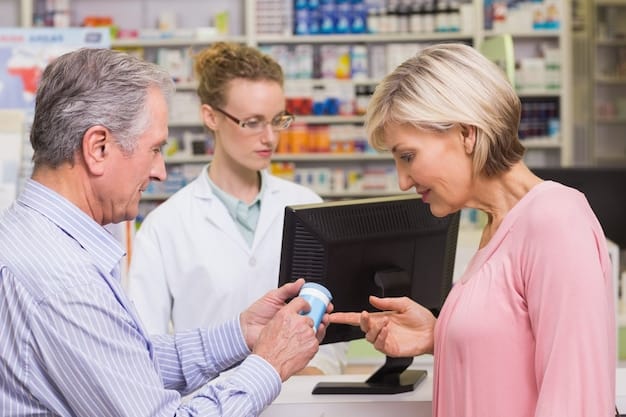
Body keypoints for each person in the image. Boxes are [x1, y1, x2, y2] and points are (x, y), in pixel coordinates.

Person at [0, 47, 329, 416]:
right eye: (154, 148)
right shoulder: (65, 281)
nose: (159, 171)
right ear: (98, 147)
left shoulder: (33, 237)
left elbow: (130, 366)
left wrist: (241, 334)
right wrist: (270, 363)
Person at [330, 43, 616, 417]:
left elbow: (576, 403)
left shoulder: (555, 221)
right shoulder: (497, 227)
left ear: (466, 133)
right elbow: (511, 349)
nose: (402, 180)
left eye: (407, 156)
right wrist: (440, 335)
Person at [126, 42, 347, 375]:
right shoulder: (165, 226)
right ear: (211, 116)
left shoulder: (307, 207)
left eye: (277, 120)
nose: (270, 137)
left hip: (298, 401)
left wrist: (318, 371)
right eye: (253, 122)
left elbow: (332, 322)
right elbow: (144, 347)